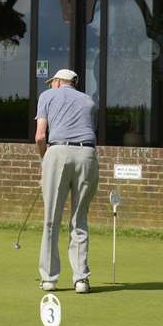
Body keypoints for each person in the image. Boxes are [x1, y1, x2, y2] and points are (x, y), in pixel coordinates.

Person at [34, 67, 98, 294]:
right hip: (87, 155)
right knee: (79, 218)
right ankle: (81, 279)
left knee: (51, 218)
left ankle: (49, 278)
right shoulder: (88, 100)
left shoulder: (46, 96)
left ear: (60, 82)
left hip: (58, 152)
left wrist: (45, 161)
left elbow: (40, 136)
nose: (51, 85)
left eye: (53, 82)